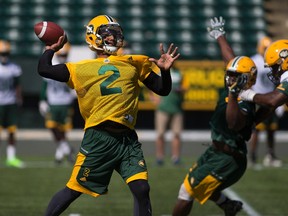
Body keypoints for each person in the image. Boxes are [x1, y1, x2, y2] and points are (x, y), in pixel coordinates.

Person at [37, 15, 180, 216]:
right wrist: (51, 49)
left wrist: (165, 72)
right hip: (99, 138)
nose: (113, 38)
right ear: (93, 37)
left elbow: (162, 90)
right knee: (74, 190)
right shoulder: (80, 69)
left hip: (127, 140)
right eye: (107, 34)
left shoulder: (134, 62)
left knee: (141, 188)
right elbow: (44, 69)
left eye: (115, 34)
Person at [172, 16, 258, 216]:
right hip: (216, 151)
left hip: (228, 158)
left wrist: (234, 95)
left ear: (246, 79)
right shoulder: (235, 86)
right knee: (196, 183)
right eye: (230, 74)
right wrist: (219, 35)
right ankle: (227, 204)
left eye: (235, 76)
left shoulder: (246, 99)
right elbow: (230, 60)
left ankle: (226, 203)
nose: (230, 78)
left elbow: (233, 123)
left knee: (187, 190)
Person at [248, 36, 283, 168]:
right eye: (264, 48)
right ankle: (252, 156)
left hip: (272, 97)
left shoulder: (272, 61)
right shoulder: (255, 61)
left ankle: (270, 155)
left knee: (272, 129)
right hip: (259, 98)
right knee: (256, 130)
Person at [38, 42, 76, 164]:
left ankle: (59, 154)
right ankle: (66, 149)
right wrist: (42, 100)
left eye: (65, 55)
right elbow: (45, 84)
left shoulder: (72, 67)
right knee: (52, 126)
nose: (63, 57)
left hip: (66, 102)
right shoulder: (51, 66)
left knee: (63, 129)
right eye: (61, 54)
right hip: (53, 101)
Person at [153, 65, 186, 166]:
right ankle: (160, 157)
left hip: (177, 108)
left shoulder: (179, 72)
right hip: (162, 109)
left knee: (176, 134)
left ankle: (176, 158)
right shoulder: (157, 71)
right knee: (160, 134)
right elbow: (150, 85)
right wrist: (154, 99)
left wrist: (181, 90)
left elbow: (185, 88)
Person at [0, 39, 24, 168]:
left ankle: (11, 157)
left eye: (5, 53)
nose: (4, 56)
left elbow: (17, 86)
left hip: (10, 102)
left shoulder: (14, 67)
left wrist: (19, 100)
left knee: (11, 131)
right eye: (2, 53)